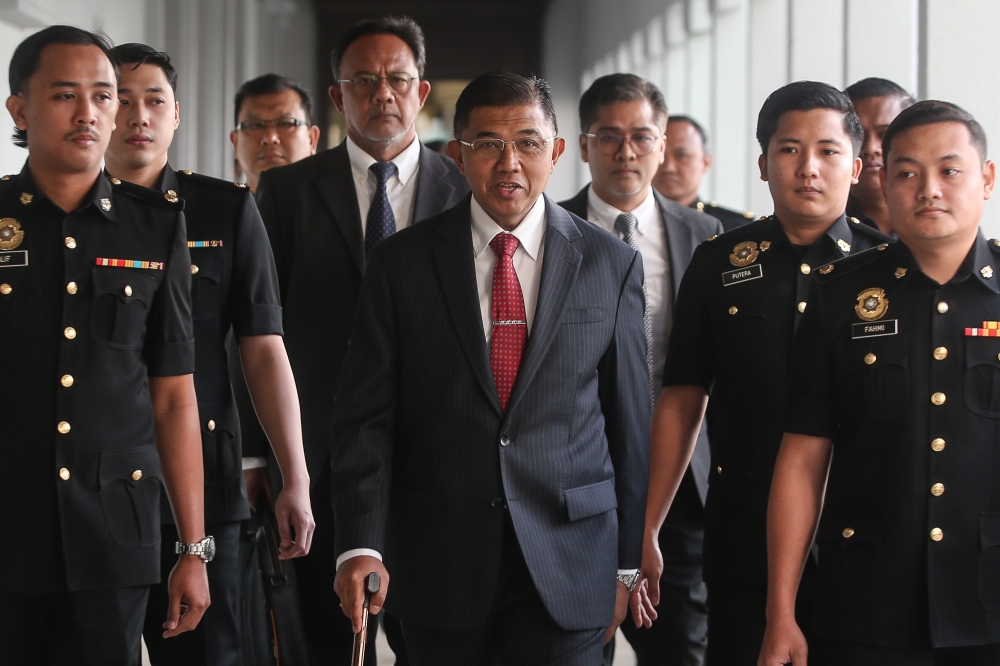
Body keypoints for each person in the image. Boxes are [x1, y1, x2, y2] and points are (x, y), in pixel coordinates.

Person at [330, 70, 649, 666]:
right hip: (438, 561)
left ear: (557, 151)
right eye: (488, 144)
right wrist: (360, 545)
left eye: (528, 143)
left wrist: (627, 564)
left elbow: (628, 424)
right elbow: (366, 420)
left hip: (570, 558)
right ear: (457, 155)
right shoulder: (401, 264)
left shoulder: (611, 263)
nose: (510, 163)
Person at [635, 81, 893, 666]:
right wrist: (649, 526)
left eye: (828, 151)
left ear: (856, 167)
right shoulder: (719, 262)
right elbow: (683, 397)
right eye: (789, 149)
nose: (808, 168)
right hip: (744, 535)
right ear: (762, 164)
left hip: (862, 539)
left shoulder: (886, 271)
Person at [254, 15, 468, 664]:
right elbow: (256, 328)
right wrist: (263, 459)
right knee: (329, 642)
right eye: (364, 80)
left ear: (421, 91)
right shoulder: (287, 192)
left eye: (397, 79)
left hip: (438, 457)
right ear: (337, 95)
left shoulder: (464, 189)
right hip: (318, 457)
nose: (382, 94)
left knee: (434, 638)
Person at [759, 100, 1000, 666]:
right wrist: (781, 611)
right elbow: (802, 459)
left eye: (949, 170)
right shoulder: (839, 295)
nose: (928, 189)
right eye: (907, 173)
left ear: (987, 178)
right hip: (867, 603)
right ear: (883, 183)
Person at [0, 25, 210, 665]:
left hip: (114, 535)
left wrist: (192, 549)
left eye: (102, 95)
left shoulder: (156, 226)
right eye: (65, 95)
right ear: (20, 110)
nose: (88, 113)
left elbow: (173, 397)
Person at [103, 43, 314, 666]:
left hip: (205, 478)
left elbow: (264, 350)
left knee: (208, 653)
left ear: (176, 115)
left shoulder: (225, 207)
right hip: (94, 482)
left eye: (155, 101)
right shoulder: (69, 217)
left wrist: (294, 475)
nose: (138, 116)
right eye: (122, 99)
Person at [559, 73, 721, 666]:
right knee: (578, 645)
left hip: (679, 484)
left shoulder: (705, 236)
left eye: (641, 136)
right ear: (583, 145)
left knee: (680, 647)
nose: (625, 152)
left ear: (662, 143)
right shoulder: (549, 230)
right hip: (578, 480)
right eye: (608, 136)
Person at [653, 115, 754, 231]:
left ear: (706, 163)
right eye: (660, 154)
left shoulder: (735, 228)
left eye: (681, 155)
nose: (668, 167)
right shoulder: (636, 221)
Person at [844, 77, 915, 235]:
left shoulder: (937, 216)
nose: (870, 148)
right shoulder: (818, 226)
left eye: (884, 135)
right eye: (858, 135)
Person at [229, 73, 319, 194]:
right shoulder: (216, 206)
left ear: (312, 140)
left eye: (285, 123)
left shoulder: (337, 204)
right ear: (235, 143)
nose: (270, 138)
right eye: (254, 125)